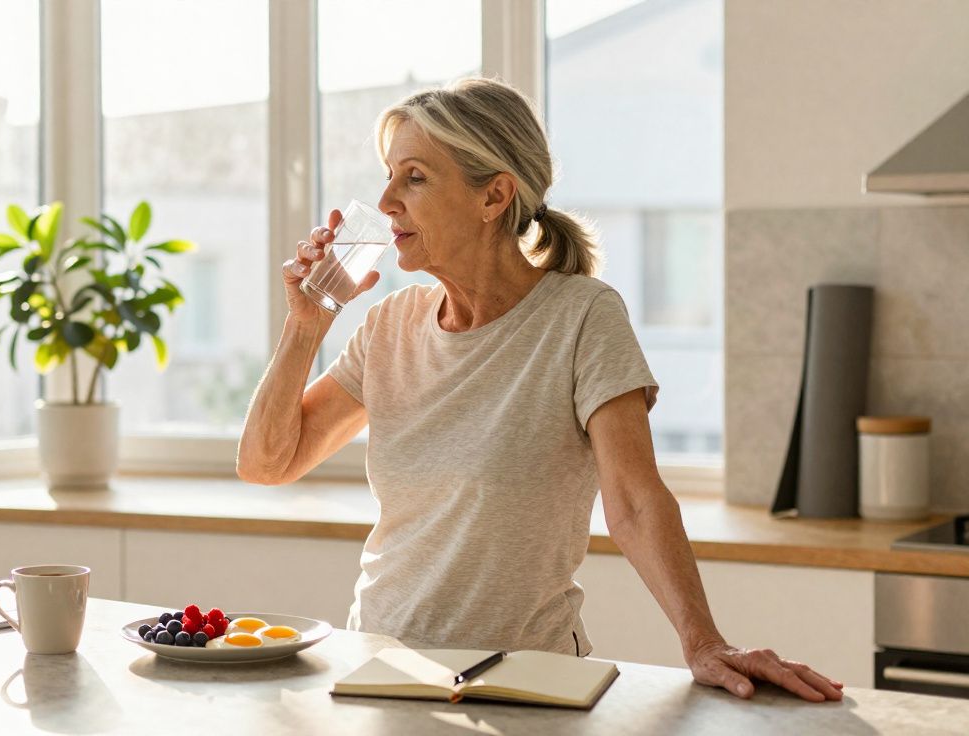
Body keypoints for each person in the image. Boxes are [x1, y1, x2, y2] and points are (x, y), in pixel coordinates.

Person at [237, 77, 842, 703]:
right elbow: (267, 463)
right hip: (384, 674)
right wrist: (305, 326)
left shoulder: (582, 318)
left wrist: (704, 642)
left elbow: (633, 501)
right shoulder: (390, 324)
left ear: (494, 195)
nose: (387, 199)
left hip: (524, 683)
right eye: (389, 176)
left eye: (414, 177)